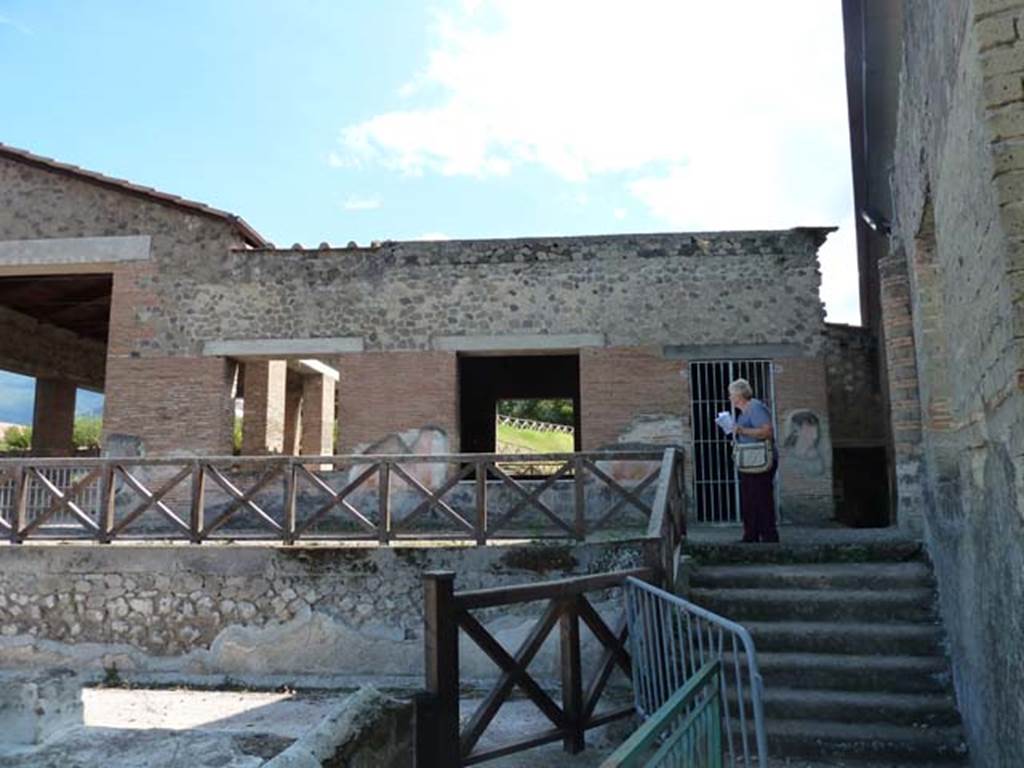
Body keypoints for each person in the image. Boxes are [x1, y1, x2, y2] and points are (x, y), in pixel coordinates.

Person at [728, 378, 779, 543]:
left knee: (761, 497)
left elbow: (767, 432)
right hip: (750, 460)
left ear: (739, 394)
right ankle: (752, 534)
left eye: (731, 394)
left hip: (760, 460)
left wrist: (741, 430)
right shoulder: (745, 412)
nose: (729, 398)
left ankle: (768, 536)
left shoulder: (755, 407)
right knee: (750, 498)